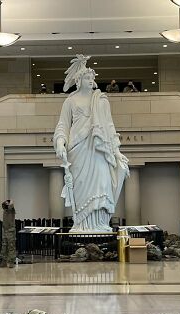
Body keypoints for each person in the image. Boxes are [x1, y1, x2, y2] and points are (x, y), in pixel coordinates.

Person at [54, 55, 129, 231]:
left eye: (92, 78)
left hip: (98, 147)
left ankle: (101, 223)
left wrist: (117, 152)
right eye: (87, 77)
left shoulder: (101, 100)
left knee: (102, 183)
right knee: (80, 187)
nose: (91, 80)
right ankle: (81, 224)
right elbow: (63, 125)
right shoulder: (70, 101)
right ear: (78, 80)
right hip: (78, 148)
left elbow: (110, 127)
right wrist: (60, 142)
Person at [0, 199, 16, 268]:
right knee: (4, 247)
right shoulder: (5, 211)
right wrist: (5, 203)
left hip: (10, 231)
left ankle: (11, 262)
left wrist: (10, 201)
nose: (5, 205)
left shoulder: (12, 210)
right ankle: (4, 262)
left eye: (6, 204)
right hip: (5, 231)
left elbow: (11, 205)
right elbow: (3, 205)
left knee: (11, 247)